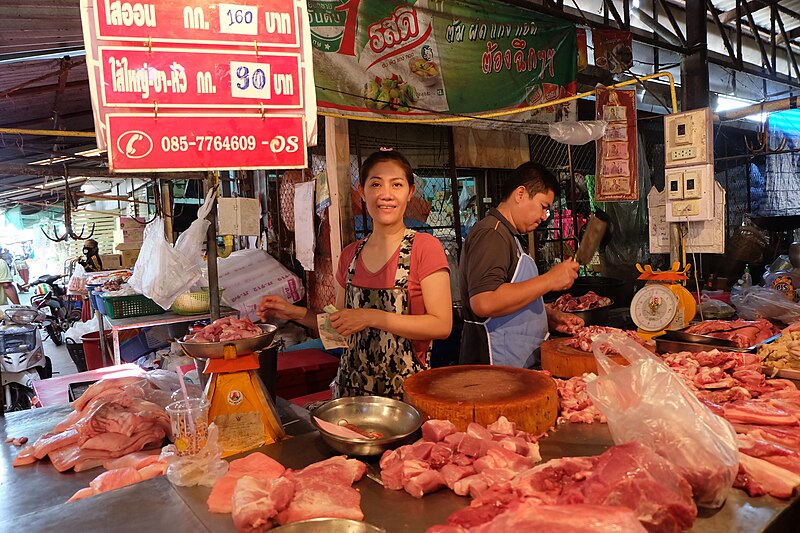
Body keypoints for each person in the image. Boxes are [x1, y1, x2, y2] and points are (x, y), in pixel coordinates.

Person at [258, 149, 452, 398]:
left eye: (396, 184)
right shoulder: (350, 255)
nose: (386, 194)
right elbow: (338, 326)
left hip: (405, 396)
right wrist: (293, 313)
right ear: (362, 191)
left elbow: (441, 324)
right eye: (375, 184)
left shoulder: (424, 247)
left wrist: (371, 316)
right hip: (351, 391)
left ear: (410, 192)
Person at [458, 161, 583, 368]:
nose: (544, 217)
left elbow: (508, 295)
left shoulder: (509, 235)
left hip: (514, 365)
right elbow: (484, 302)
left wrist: (545, 315)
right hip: (493, 369)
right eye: (543, 207)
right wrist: (549, 280)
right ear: (520, 194)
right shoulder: (493, 234)